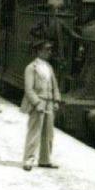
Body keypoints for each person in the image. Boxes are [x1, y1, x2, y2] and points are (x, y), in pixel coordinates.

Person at [21, 40, 61, 170]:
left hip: (49, 102)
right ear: (39, 51)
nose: (49, 52)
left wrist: (56, 100)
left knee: (48, 133)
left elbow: (54, 85)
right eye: (46, 50)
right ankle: (28, 159)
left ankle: (45, 159)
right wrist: (36, 103)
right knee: (34, 132)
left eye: (50, 50)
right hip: (38, 102)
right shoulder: (31, 67)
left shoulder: (49, 67)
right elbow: (28, 89)